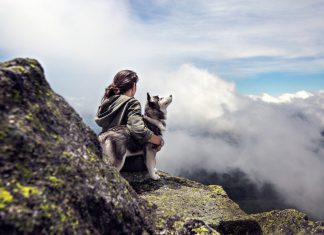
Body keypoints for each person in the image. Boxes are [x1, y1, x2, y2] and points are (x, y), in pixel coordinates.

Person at [95, 70, 163, 170]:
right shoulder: (132, 103)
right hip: (126, 161)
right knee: (151, 149)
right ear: (133, 85)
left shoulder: (107, 102)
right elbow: (138, 129)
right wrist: (157, 140)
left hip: (105, 153)